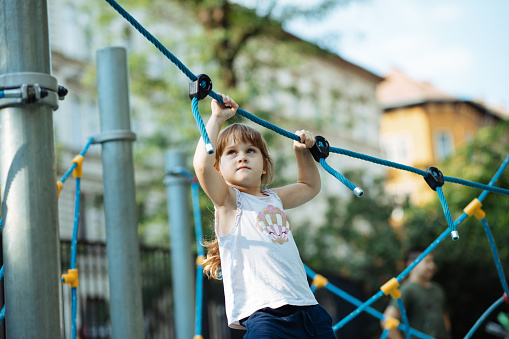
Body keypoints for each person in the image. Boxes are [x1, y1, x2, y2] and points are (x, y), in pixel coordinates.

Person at [193, 93, 335, 338]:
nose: (242, 156)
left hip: (308, 309)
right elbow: (201, 166)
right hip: (266, 315)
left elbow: (310, 186)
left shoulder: (274, 199)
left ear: (265, 166)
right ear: (219, 168)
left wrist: (302, 151)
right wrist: (216, 118)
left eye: (250, 151)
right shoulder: (229, 202)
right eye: (231, 153)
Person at [382, 247, 451, 339]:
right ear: (411, 264)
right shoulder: (408, 289)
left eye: (432, 261)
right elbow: (387, 319)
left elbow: (444, 318)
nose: (432, 266)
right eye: (427, 262)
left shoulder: (437, 289)